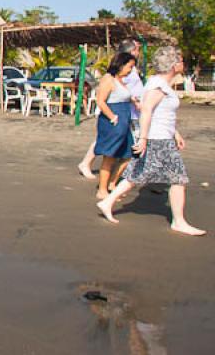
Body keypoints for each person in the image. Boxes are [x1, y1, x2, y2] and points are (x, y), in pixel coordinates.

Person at [96, 47, 205, 236]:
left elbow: (161, 114)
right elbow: (146, 111)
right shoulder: (158, 85)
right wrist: (144, 138)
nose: (182, 63)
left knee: (137, 174)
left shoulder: (161, 83)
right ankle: (178, 221)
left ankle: (107, 202)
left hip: (161, 136)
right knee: (177, 178)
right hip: (157, 139)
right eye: (180, 60)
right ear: (172, 64)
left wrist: (175, 133)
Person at [78, 40, 144, 179]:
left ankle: (112, 177)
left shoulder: (127, 71)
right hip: (118, 112)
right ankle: (101, 173)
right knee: (109, 145)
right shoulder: (117, 74)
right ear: (131, 52)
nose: (139, 52)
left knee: (115, 145)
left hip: (127, 112)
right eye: (137, 49)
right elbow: (102, 100)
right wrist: (113, 116)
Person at [93, 52, 138, 200]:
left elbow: (124, 96)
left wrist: (135, 101)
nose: (130, 70)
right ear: (120, 64)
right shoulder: (108, 79)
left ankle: (112, 184)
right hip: (114, 121)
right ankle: (102, 190)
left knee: (129, 154)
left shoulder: (121, 80)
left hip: (124, 120)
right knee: (109, 156)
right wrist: (113, 117)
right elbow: (100, 101)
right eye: (129, 66)